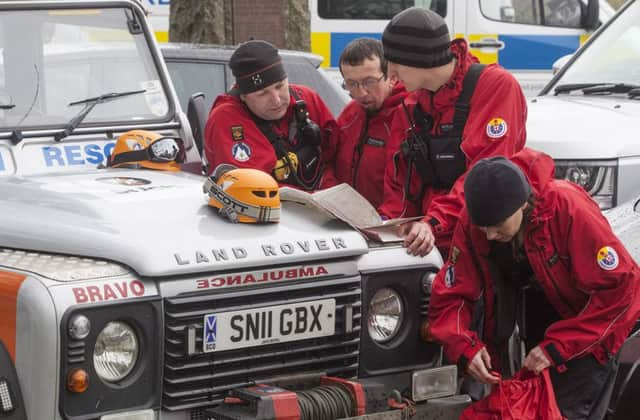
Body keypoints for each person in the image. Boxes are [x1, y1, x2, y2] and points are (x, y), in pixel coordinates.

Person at [428, 148, 640, 419]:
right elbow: (451, 293)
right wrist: (465, 347)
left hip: (591, 333)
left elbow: (624, 289)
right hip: (535, 330)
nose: (490, 235)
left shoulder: (567, 208)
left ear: (522, 204)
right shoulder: (474, 222)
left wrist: (558, 347)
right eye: (484, 228)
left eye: (498, 225)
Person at [378, 7, 527, 256]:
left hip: (487, 238)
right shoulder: (411, 104)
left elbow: (485, 176)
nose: (391, 74)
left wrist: (433, 223)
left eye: (394, 62)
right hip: (429, 242)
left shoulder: (495, 87)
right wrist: (385, 225)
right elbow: (400, 183)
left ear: (420, 59)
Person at [204, 40, 338, 190]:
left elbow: (338, 157)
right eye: (263, 93)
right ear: (243, 96)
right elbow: (249, 188)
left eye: (280, 86)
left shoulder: (306, 98)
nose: (276, 100)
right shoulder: (226, 119)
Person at [335, 38, 408, 209]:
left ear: (392, 77)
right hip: (348, 220)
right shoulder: (349, 115)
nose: (361, 93)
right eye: (351, 84)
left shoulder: (408, 115)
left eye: (369, 82)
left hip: (391, 226)